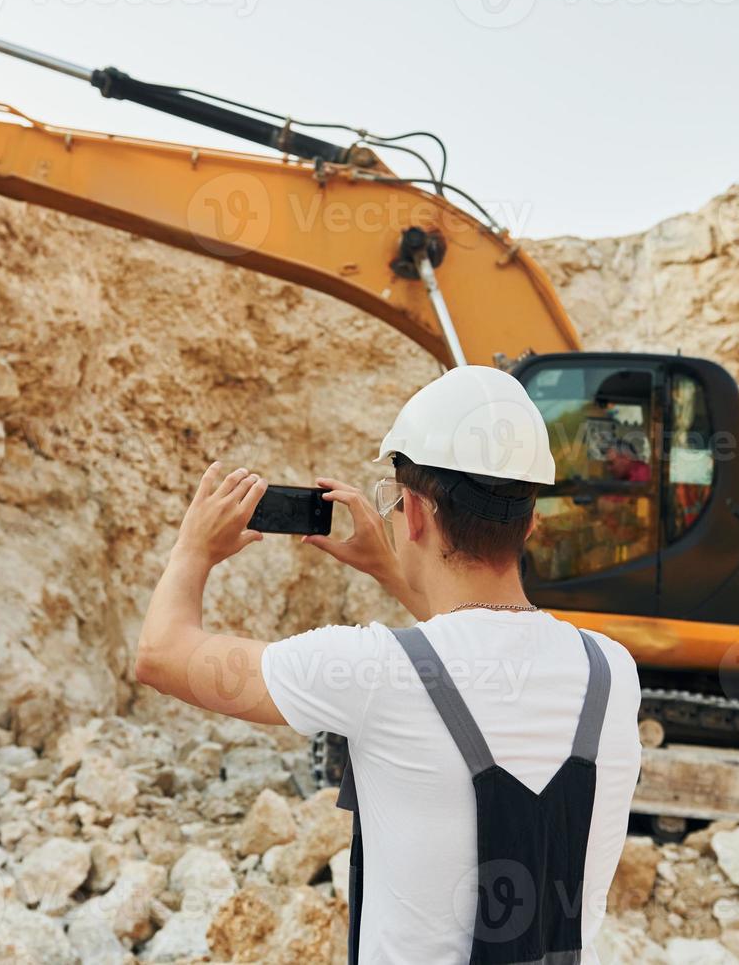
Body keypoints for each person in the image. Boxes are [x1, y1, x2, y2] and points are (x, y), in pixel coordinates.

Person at [136, 365, 642, 964]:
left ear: (417, 513)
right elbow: (475, 643)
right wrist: (392, 569)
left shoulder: (371, 670)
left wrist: (194, 547)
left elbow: (162, 656)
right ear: (531, 521)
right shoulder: (612, 672)